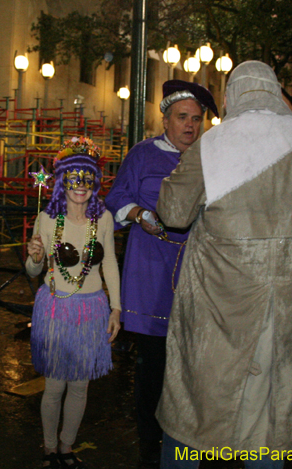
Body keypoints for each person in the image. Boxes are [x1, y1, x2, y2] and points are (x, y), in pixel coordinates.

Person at [155, 61, 292, 469]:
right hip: (285, 318)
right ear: (275, 93)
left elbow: (172, 212)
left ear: (231, 97)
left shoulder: (214, 144)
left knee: (192, 411)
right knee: (269, 424)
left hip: (217, 316)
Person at [105, 80, 217, 466]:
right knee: (153, 367)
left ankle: (187, 441)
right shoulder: (143, 154)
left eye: (197, 119)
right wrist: (139, 214)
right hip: (151, 270)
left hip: (198, 272)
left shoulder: (211, 158)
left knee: (192, 365)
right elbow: (117, 197)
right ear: (166, 120)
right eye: (182, 117)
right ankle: (150, 448)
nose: (190, 125)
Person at [26, 137, 121, 469]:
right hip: (55, 309)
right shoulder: (48, 219)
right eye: (73, 177)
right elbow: (33, 270)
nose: (80, 185)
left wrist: (116, 309)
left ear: (95, 181)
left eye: (87, 177)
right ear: (61, 180)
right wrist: (36, 257)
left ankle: (67, 447)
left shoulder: (104, 219)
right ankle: (49, 448)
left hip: (92, 309)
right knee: (54, 386)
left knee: (80, 386)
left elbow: (109, 264)